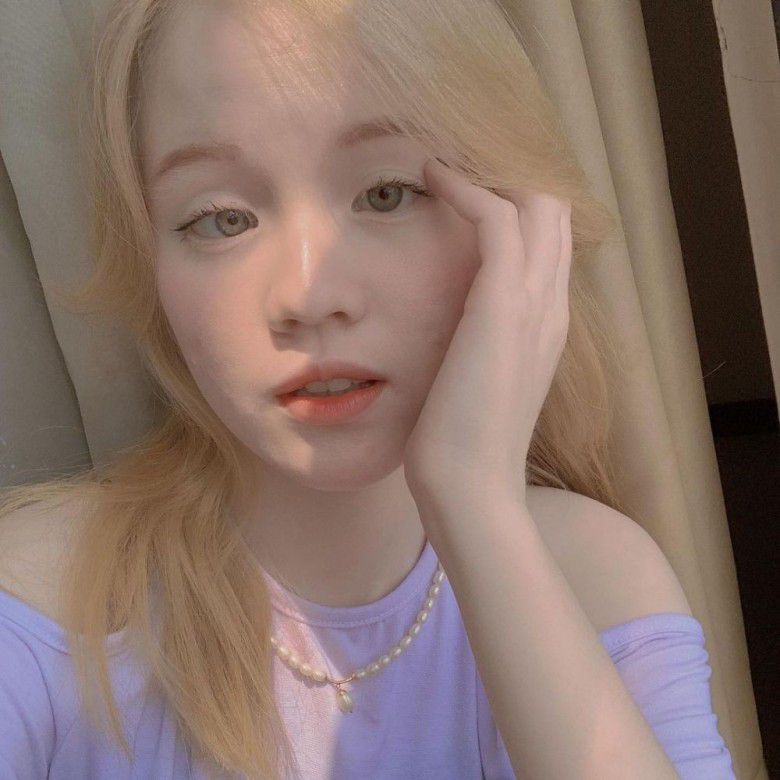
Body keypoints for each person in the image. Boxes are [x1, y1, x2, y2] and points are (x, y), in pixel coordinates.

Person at [0, 0, 735, 778]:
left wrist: (475, 506)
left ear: (517, 231)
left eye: (387, 193)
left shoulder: (598, 578)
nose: (309, 295)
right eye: (220, 219)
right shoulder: (44, 603)